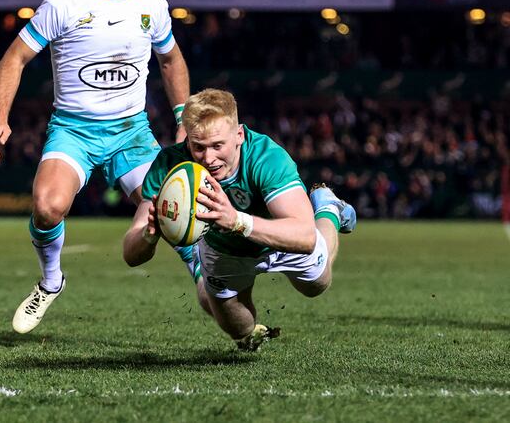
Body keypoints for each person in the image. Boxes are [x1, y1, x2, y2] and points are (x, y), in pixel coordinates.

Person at [0, 0, 194, 334]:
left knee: (176, 212)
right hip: (74, 130)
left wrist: (182, 117)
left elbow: (170, 59)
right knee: (47, 207)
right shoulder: (64, 2)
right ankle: (50, 281)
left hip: (130, 133)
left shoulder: (151, 4)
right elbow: (15, 58)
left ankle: (217, 291)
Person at [122, 89, 357, 351]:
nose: (208, 158)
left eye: (217, 146)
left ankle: (327, 208)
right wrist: (148, 236)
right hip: (224, 249)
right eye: (198, 146)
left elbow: (304, 237)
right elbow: (131, 255)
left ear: (239, 135)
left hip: (277, 237)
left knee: (316, 286)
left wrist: (236, 221)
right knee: (240, 329)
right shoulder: (170, 166)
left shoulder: (266, 158)